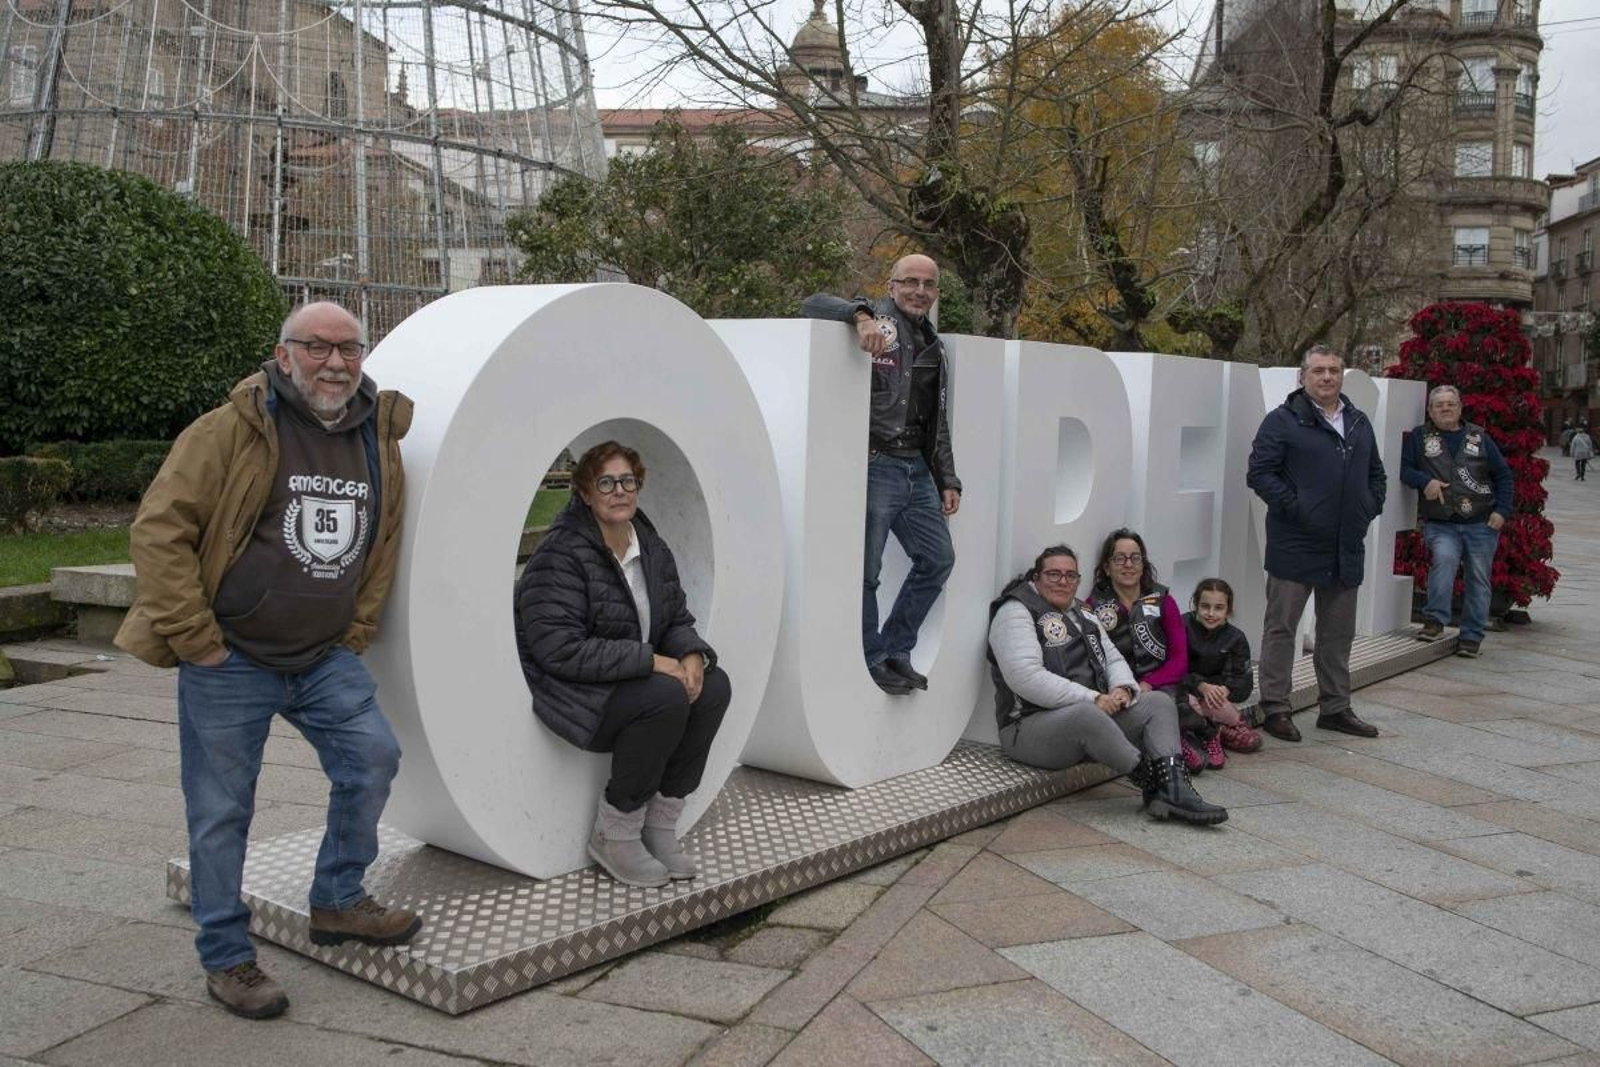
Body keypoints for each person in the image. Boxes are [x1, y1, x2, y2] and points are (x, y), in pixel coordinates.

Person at [116, 302, 420, 1020]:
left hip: (321, 656)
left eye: (349, 348)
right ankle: (227, 957)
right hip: (231, 658)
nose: (335, 362)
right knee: (221, 811)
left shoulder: (377, 435)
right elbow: (159, 530)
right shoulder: (232, 429)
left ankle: (338, 897)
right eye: (317, 347)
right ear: (284, 356)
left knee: (373, 758)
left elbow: (382, 542)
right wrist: (197, 638)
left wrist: (356, 628)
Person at [514, 441, 732, 889]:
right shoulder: (562, 553)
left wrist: (690, 654)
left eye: (628, 481)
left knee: (714, 687)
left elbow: (675, 617)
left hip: (630, 679)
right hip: (574, 689)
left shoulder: (648, 544)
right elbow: (559, 649)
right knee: (666, 696)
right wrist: (652, 662)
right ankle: (615, 831)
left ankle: (660, 824)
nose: (619, 491)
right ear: (585, 492)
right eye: (606, 483)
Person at [801, 254, 959, 695]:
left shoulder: (935, 346)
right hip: (876, 465)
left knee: (938, 560)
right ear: (891, 286)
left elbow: (938, 421)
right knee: (866, 572)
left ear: (936, 292)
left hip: (918, 469)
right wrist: (860, 317)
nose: (919, 291)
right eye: (910, 282)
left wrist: (947, 478)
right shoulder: (871, 319)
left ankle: (895, 649)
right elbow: (811, 303)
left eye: (928, 284)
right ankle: (870, 658)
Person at [987, 545, 1226, 825]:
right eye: (1053, 574)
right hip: (1027, 728)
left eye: (1070, 575)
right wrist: (1094, 698)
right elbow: (1025, 676)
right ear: (1036, 577)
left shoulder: (1082, 611)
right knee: (1085, 713)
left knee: (1159, 703)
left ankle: (1175, 789)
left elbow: (1112, 658)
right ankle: (1152, 783)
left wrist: (1123, 688)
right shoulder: (1015, 611)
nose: (1063, 581)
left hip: (1088, 720)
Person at [1246, 343, 1386, 742]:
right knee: (1281, 630)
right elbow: (1259, 473)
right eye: (1319, 370)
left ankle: (1335, 708)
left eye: (1334, 370)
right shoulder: (1282, 421)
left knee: (1337, 634)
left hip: (1345, 547)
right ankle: (1275, 707)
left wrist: (1366, 508)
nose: (1327, 377)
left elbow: (1376, 475)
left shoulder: (1357, 421)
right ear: (1302, 376)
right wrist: (1298, 508)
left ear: (1342, 374)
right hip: (1295, 544)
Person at [1401, 385, 1513, 658]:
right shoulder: (1419, 437)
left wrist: (1502, 511)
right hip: (1441, 521)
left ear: (1460, 408)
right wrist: (1424, 481)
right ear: (1430, 411)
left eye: (1451, 404)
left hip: (1481, 522)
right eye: (1439, 405)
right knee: (1444, 560)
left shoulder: (1480, 437)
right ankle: (1435, 620)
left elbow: (1503, 475)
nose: (1445, 408)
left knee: (1478, 578)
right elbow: (1404, 468)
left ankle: (1471, 637)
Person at [1085, 529, 1208, 770]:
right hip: (1117, 689)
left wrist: (1148, 684)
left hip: (1160, 685)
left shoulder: (1164, 601)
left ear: (1143, 565)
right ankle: (1173, 740)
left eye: (1135, 558)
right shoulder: (1094, 606)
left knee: (1168, 701)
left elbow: (1180, 660)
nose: (1128, 564)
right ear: (1107, 567)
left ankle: (1194, 734)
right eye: (1119, 558)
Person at [1181, 578, 1262, 758]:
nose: (1211, 613)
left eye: (1218, 608)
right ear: (1195, 605)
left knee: (1224, 710)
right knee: (1189, 705)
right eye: (1205, 606)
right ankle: (1208, 732)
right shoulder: (1181, 626)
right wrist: (1200, 685)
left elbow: (1244, 681)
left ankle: (1220, 728)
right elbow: (1174, 669)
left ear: (1228, 610)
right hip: (1185, 693)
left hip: (1213, 697)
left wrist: (1225, 690)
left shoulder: (1236, 638)